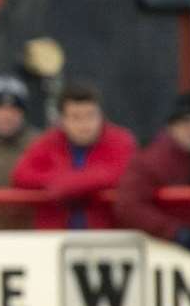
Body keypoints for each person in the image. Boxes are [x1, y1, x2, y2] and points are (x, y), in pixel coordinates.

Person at [10, 80, 136, 229]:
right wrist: (56, 181)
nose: (85, 125)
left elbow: (123, 173)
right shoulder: (48, 141)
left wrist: (68, 185)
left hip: (108, 240)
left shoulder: (121, 140)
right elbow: (21, 175)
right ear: (62, 120)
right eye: (75, 117)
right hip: (54, 239)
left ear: (101, 115)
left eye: (91, 116)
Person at [114, 92, 190, 252]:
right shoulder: (151, 161)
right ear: (172, 126)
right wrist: (174, 231)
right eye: (187, 123)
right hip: (162, 254)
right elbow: (128, 205)